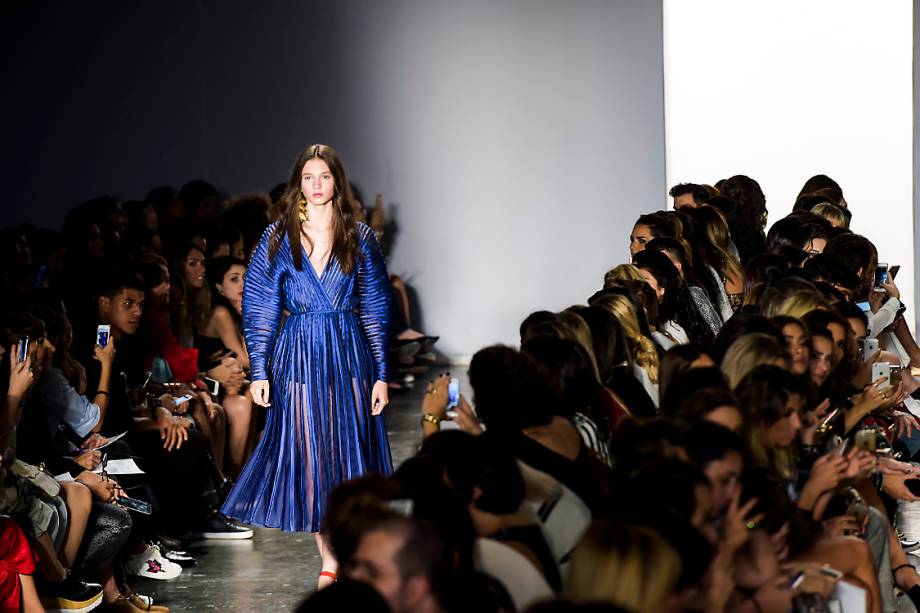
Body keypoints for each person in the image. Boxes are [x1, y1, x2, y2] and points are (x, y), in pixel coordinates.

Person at [221, 144, 392, 588]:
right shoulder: (278, 238)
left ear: (338, 181)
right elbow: (259, 305)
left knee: (348, 454)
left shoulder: (359, 237)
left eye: (325, 177)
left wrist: (382, 374)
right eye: (309, 177)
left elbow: (375, 305)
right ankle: (332, 563)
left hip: (347, 349)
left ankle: (343, 557)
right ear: (299, 182)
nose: (317, 186)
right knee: (312, 456)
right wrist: (259, 368)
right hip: (296, 354)